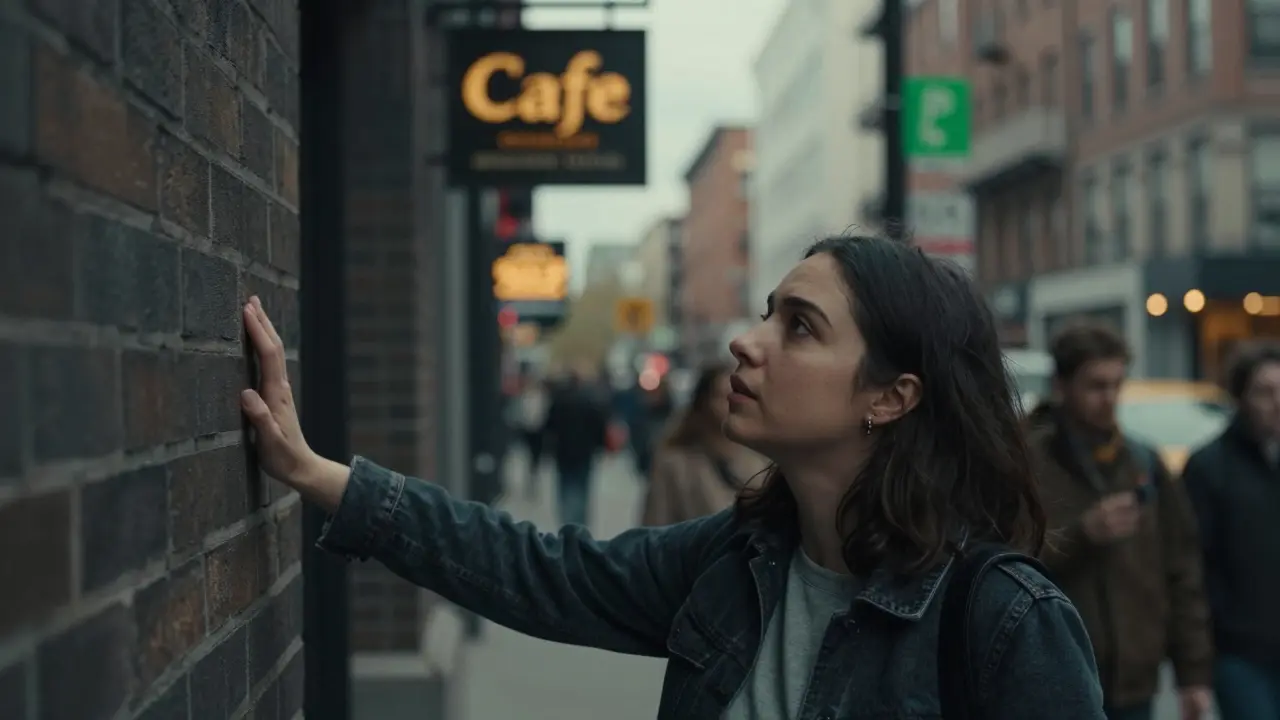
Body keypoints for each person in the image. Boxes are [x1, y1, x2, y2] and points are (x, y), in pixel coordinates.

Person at [239, 235, 1105, 718]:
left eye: (799, 328)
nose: (747, 340)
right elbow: (538, 570)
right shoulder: (735, 560)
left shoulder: (1002, 620)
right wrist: (320, 475)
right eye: (768, 314)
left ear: (890, 396)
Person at [1027, 323, 1214, 720]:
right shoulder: (1028, 463)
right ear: (1062, 385)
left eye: (1117, 384)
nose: (1109, 398)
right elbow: (1005, 559)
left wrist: (1193, 675)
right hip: (1055, 676)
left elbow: (1181, 570)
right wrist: (1082, 534)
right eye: (1096, 385)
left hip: (1134, 681)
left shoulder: (1142, 462)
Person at [1182, 341, 1280, 720]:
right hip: (1240, 654)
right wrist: (1196, 665)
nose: (1277, 402)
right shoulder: (1209, 467)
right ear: (1240, 398)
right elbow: (1193, 568)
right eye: (1264, 392)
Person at [641, 363, 765, 526]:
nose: (731, 404)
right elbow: (655, 524)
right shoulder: (675, 462)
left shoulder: (760, 457)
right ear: (703, 402)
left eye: (738, 395)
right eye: (723, 396)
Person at [542, 367, 610, 527]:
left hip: (563, 452)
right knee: (582, 488)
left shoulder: (558, 401)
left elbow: (548, 427)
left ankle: (568, 522)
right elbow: (599, 426)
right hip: (584, 452)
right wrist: (599, 446)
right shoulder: (589, 401)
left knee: (565, 487)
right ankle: (579, 523)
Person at [514, 373, 551, 499]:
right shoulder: (526, 397)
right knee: (531, 457)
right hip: (529, 430)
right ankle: (531, 479)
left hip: (538, 431)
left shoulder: (541, 397)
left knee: (535, 457)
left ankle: (533, 478)